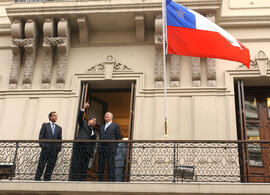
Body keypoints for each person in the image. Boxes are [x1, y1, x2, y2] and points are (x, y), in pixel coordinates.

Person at [69, 102, 97, 181]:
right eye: (93, 120)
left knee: (84, 166)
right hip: (80, 147)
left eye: (95, 121)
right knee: (76, 163)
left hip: (87, 151)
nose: (94, 122)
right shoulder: (83, 124)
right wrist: (84, 108)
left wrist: (91, 154)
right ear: (89, 120)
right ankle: (74, 179)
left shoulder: (94, 133)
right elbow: (79, 117)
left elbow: (93, 144)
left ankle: (82, 179)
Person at [35, 111, 62, 181]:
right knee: (41, 165)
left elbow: (60, 140)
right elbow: (41, 137)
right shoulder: (45, 126)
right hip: (45, 150)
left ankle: (47, 180)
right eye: (54, 116)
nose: (56, 117)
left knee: (50, 166)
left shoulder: (59, 128)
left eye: (56, 116)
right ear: (50, 117)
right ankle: (37, 179)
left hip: (54, 151)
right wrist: (44, 146)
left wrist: (58, 149)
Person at [98, 112, 122, 181]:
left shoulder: (115, 126)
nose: (106, 115)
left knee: (110, 164)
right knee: (101, 164)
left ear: (111, 117)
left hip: (111, 149)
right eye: (105, 115)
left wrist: (113, 146)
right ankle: (100, 179)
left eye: (107, 114)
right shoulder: (102, 127)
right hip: (101, 149)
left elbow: (119, 138)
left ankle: (111, 179)